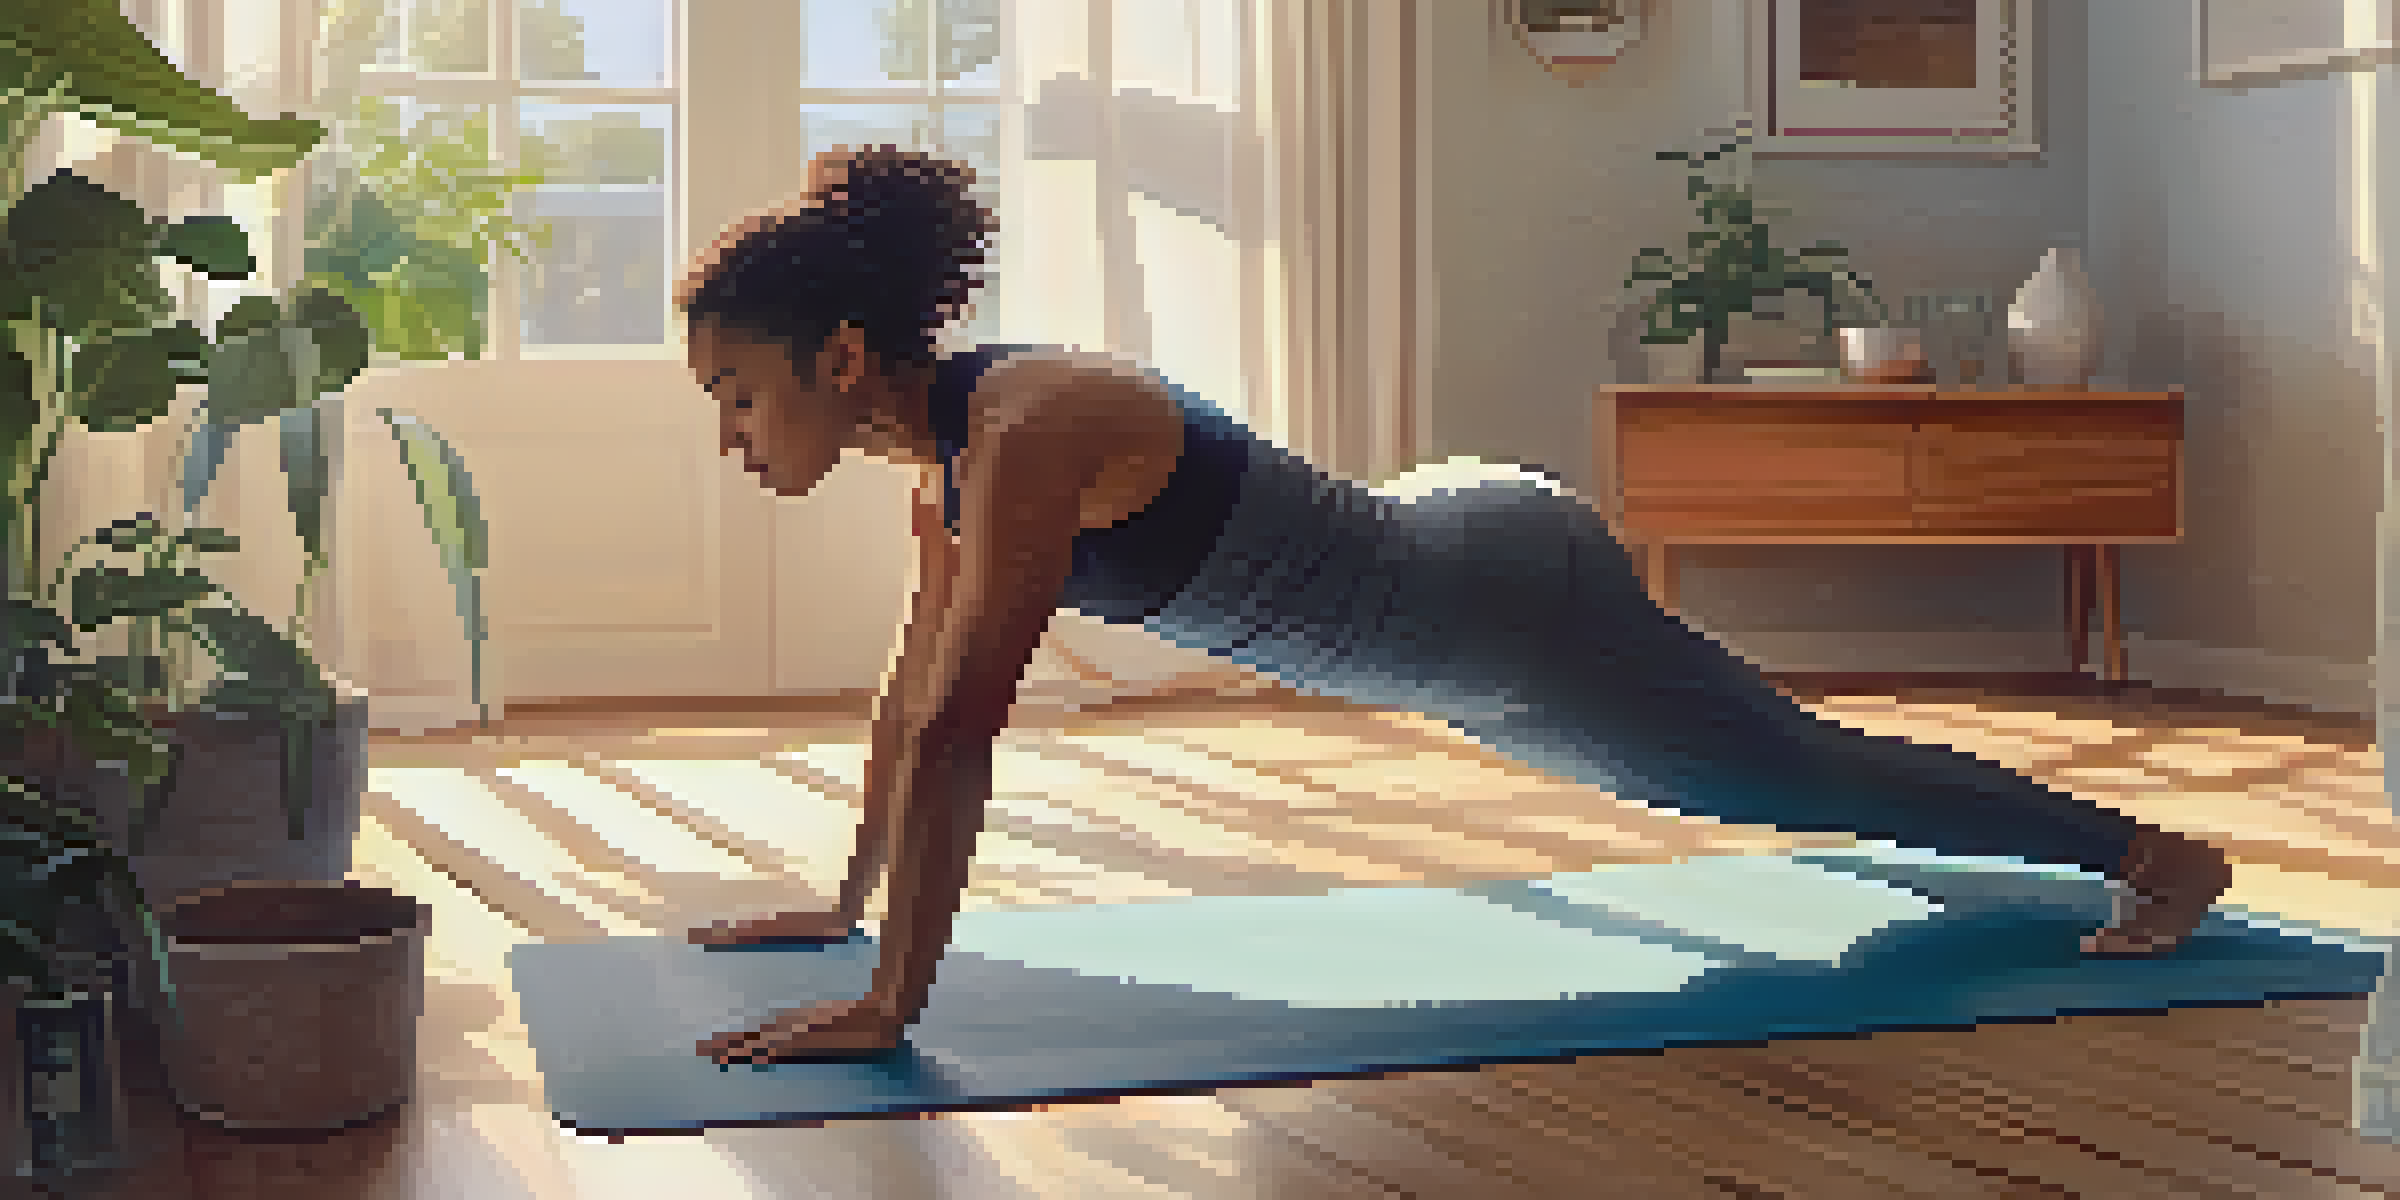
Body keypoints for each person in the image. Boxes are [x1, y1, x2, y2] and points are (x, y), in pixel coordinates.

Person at [674, 145, 2233, 1066]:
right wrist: (844, 902)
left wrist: (890, 1000)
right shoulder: (941, 465)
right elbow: (909, 698)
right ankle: (2082, 852)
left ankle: (2162, 858)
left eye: (738, 397)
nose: (734, 442)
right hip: (1448, 636)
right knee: (1719, 783)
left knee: (1788, 768)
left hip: (1494, 597)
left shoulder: (1026, 430)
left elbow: (964, 726)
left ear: (847, 356)